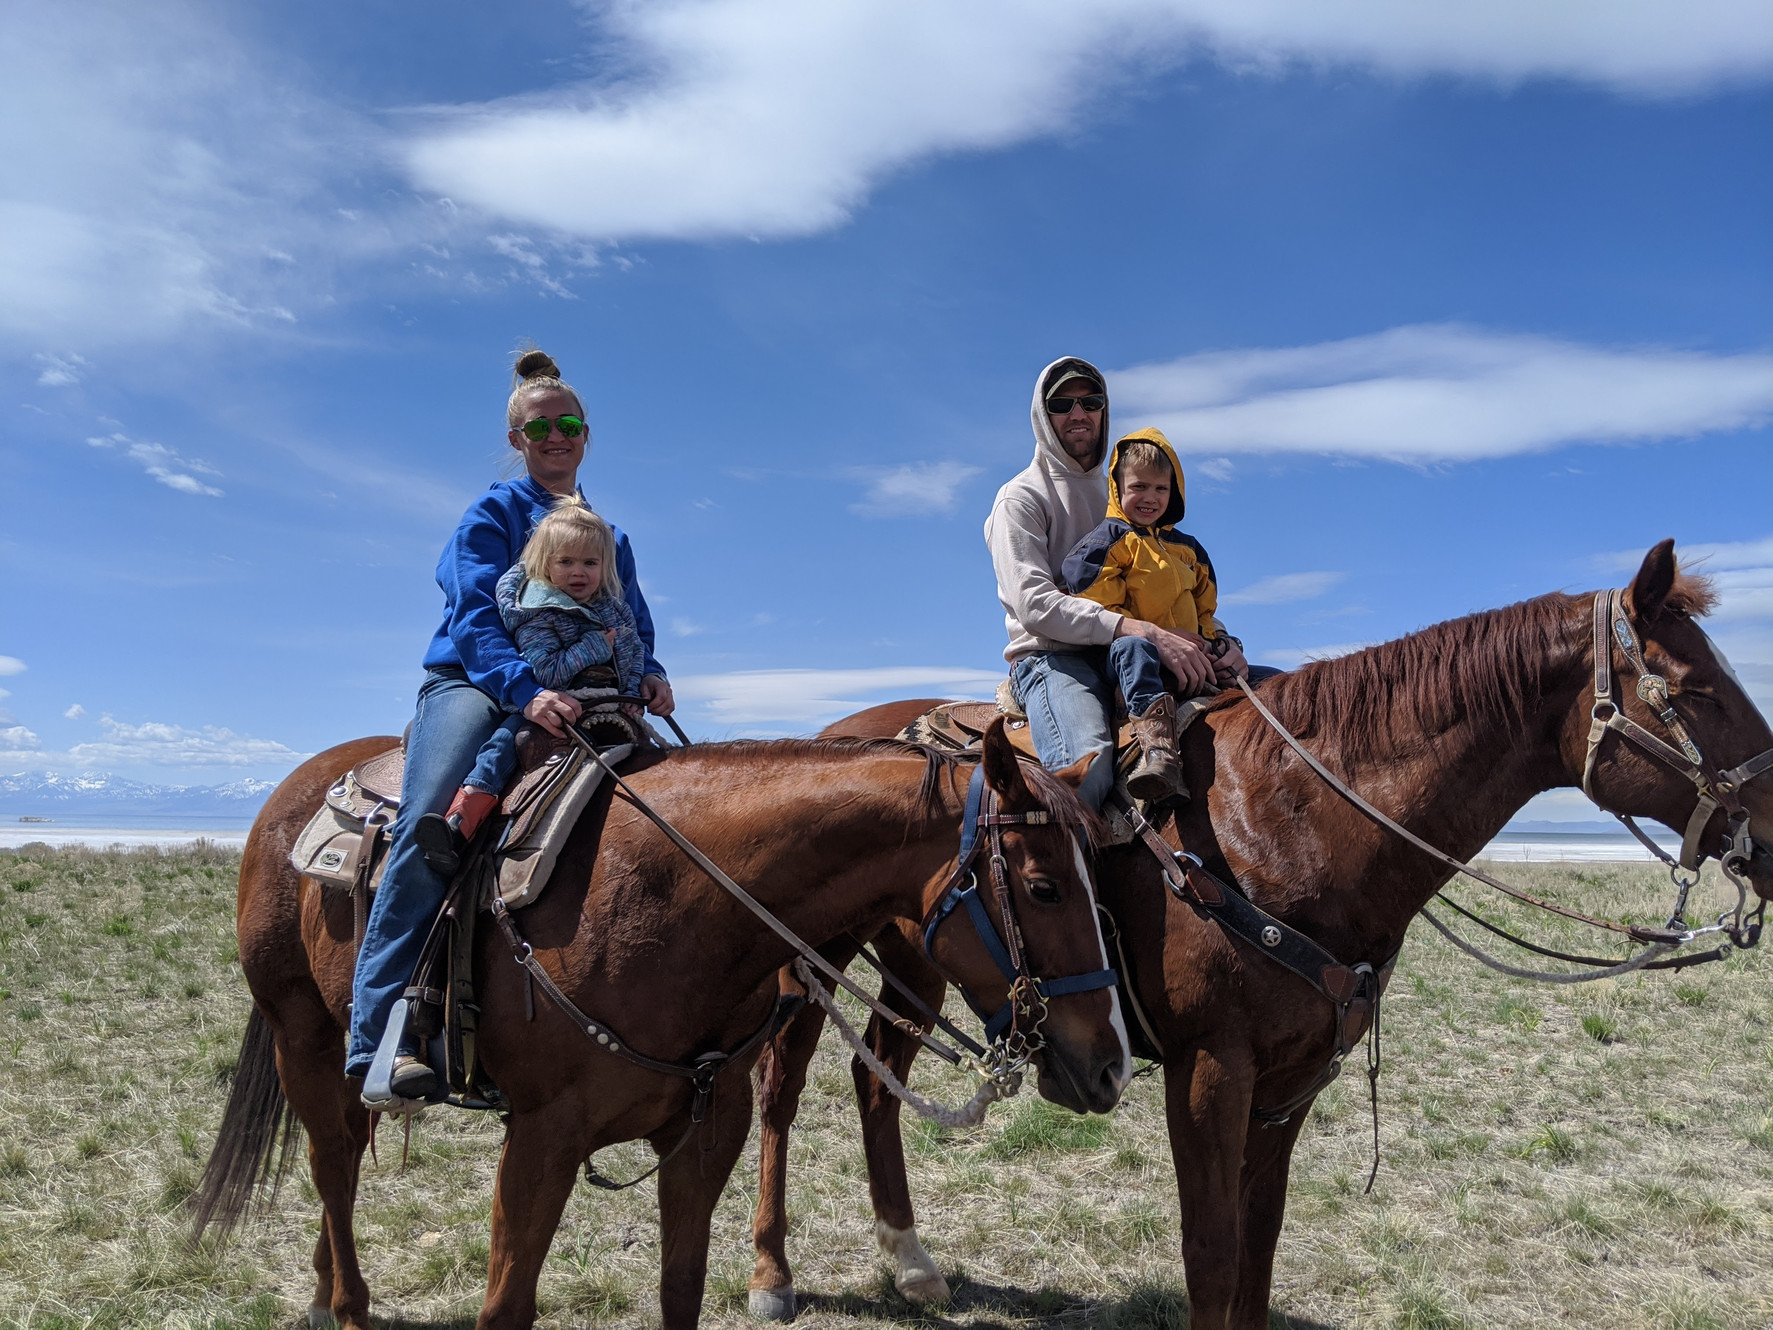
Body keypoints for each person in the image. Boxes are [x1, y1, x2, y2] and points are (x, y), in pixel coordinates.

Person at [348, 349, 673, 1105]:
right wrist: (523, 692)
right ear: (517, 439)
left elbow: (632, 620)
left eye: (568, 425)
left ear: (586, 434)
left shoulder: (607, 534)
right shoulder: (491, 514)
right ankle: (377, 1043)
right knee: (431, 828)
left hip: (587, 691)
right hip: (478, 683)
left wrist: (648, 673)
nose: (555, 437)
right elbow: (471, 617)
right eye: (539, 428)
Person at [984, 358, 1254, 811]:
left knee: (1279, 710)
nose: (1078, 413)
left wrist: (1223, 640)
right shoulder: (1022, 498)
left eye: (1090, 401)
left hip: (1139, 649)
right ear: (1042, 414)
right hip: (1054, 657)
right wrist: (1143, 631)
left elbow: (1169, 582)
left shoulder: (1131, 487)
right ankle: (1070, 882)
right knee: (1086, 775)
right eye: (1062, 404)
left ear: (1104, 410)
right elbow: (1034, 604)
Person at [410, 496, 645, 878]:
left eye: (590, 563)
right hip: (550, 698)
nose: (578, 572)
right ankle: (463, 816)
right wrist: (593, 648)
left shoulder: (614, 608)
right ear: (545, 565)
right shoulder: (536, 609)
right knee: (507, 741)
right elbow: (545, 670)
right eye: (566, 562)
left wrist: (635, 690)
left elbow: (633, 649)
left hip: (609, 701)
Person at [1062, 428, 1271, 799]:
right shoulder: (1107, 544)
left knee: (1274, 682)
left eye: (1161, 489)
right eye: (1139, 487)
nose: (1150, 498)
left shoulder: (1188, 550)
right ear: (1116, 487)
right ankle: (1158, 748)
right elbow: (1100, 608)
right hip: (1129, 656)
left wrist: (1220, 645)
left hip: (1192, 656)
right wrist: (1161, 635)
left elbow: (1205, 610)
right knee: (1133, 649)